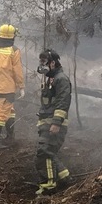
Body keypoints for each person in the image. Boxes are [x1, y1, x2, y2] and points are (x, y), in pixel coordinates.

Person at [35, 49, 72, 195]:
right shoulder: (51, 78)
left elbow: (63, 101)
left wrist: (56, 122)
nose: (42, 65)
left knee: (44, 151)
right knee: (48, 151)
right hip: (46, 121)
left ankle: (49, 187)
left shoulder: (61, 79)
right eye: (41, 61)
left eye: (44, 62)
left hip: (54, 123)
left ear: (53, 63)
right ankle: (65, 178)